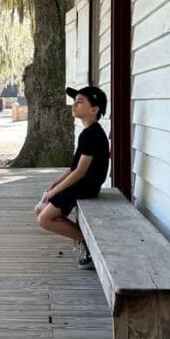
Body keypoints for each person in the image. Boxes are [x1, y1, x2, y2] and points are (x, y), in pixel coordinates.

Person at [35, 86, 109, 269]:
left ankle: (88, 243)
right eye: (74, 100)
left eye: (80, 101)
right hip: (79, 184)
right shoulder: (87, 132)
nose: (74, 104)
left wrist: (54, 192)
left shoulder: (93, 134)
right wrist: (54, 185)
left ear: (94, 109)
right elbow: (73, 167)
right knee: (40, 210)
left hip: (85, 186)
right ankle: (82, 240)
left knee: (44, 219)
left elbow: (81, 172)